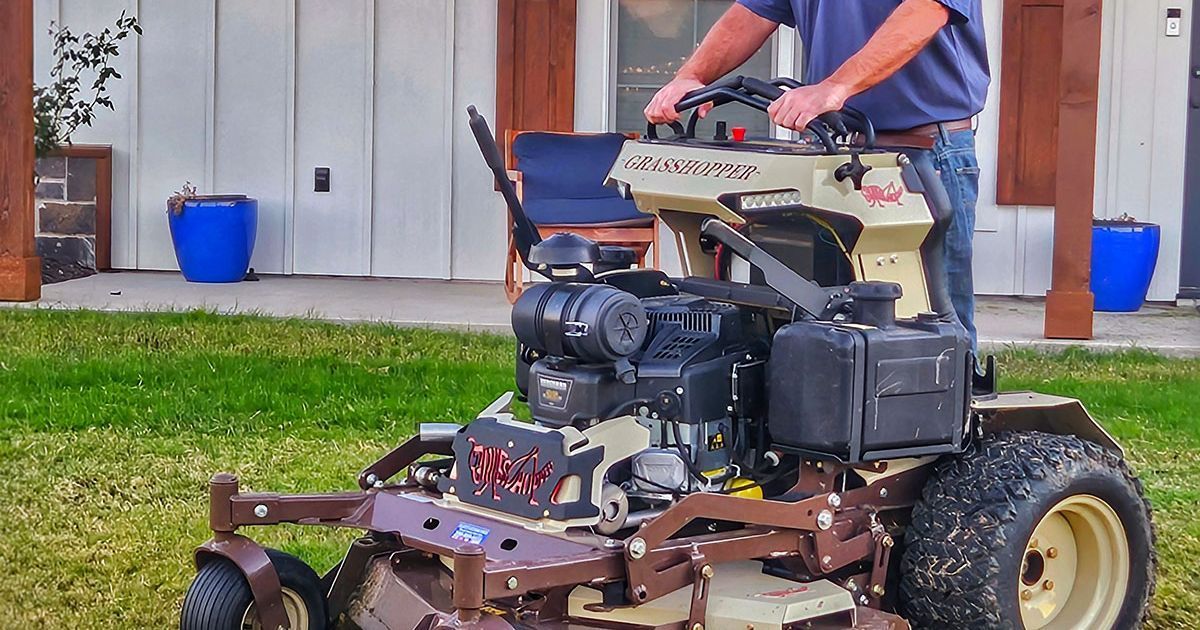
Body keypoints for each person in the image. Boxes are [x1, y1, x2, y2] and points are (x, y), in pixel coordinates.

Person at [644, 0, 989, 349]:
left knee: (932, 323)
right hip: (832, 150)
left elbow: (926, 11)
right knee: (821, 315)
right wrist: (692, 76)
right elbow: (753, 12)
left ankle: (958, 402)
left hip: (923, 149)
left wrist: (836, 86)